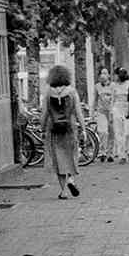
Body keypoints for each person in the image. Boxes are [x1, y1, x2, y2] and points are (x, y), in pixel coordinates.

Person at [41, 64, 84, 199]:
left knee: (58, 159)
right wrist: (83, 128)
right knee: (72, 155)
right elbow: (78, 112)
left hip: (53, 129)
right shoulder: (72, 92)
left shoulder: (48, 93)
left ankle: (63, 191)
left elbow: (44, 114)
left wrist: (42, 129)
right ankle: (71, 179)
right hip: (70, 128)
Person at [93, 68, 116, 161]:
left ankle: (110, 153)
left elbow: (114, 99)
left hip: (111, 112)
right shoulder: (97, 86)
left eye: (105, 73)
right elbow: (95, 99)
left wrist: (113, 111)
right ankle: (103, 152)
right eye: (102, 73)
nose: (103, 75)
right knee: (103, 132)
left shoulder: (113, 86)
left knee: (111, 133)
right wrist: (93, 111)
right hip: (101, 111)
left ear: (109, 75)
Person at [111, 68, 129, 162]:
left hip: (128, 109)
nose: (114, 76)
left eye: (115, 74)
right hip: (117, 109)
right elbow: (112, 99)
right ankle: (121, 154)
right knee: (118, 133)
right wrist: (112, 112)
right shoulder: (114, 86)